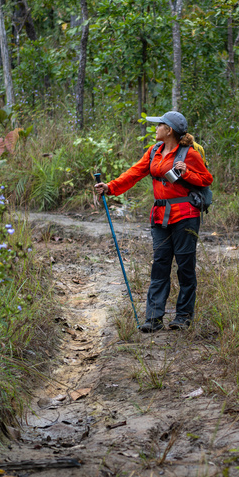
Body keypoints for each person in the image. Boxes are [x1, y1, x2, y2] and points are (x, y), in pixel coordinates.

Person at [94, 111, 213, 332]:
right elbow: (134, 173)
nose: (156, 128)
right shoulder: (154, 151)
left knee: (185, 267)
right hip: (160, 216)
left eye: (159, 125)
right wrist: (110, 187)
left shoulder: (189, 154)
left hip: (186, 216)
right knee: (160, 265)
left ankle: (183, 318)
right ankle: (154, 318)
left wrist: (186, 173)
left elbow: (206, 179)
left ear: (169, 130)